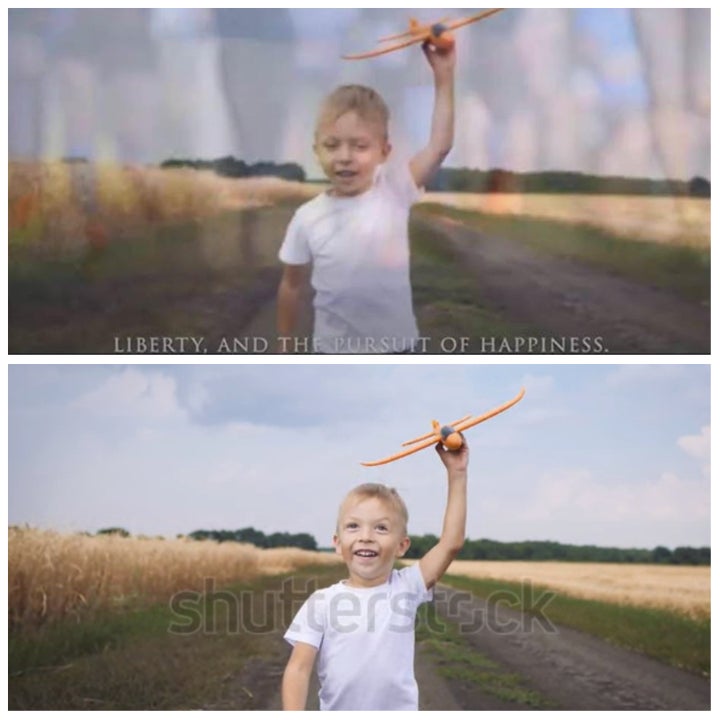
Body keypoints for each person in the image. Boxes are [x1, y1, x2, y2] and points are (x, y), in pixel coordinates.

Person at [276, 41, 456, 354]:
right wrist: (285, 344)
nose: (344, 157)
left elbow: (439, 145)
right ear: (316, 150)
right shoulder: (306, 217)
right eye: (332, 145)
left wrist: (444, 76)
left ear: (384, 152)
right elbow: (291, 285)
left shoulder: (394, 190)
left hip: (398, 351)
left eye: (360, 146)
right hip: (331, 353)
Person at [281, 438, 468, 711]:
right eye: (354, 526)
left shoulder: (407, 587)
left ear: (402, 545)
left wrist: (457, 473)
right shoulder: (320, 602)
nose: (366, 537)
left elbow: (451, 542)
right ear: (337, 543)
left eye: (381, 528)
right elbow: (298, 669)